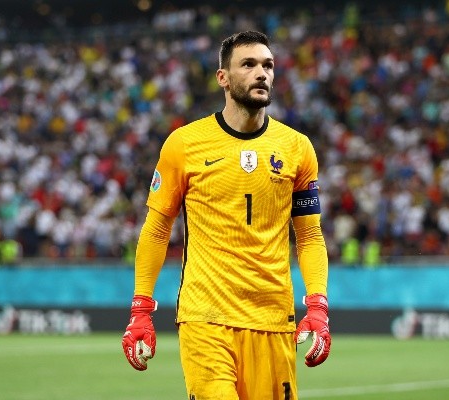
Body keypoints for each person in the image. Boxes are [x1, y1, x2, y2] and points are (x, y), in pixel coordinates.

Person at [122, 30, 331, 399]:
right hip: (206, 317)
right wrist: (141, 309)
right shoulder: (184, 144)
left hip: (273, 320)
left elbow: (311, 236)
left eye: (267, 65)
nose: (261, 73)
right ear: (223, 77)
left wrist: (317, 305)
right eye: (248, 65)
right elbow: (156, 229)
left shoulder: (297, 148)